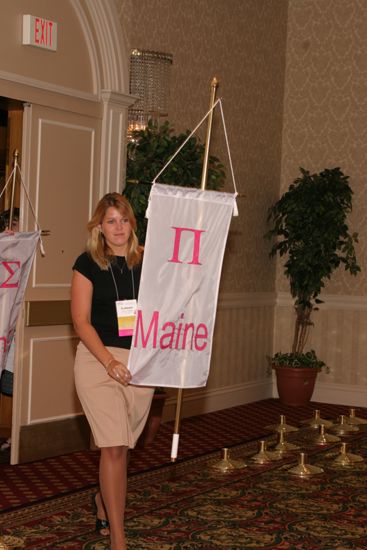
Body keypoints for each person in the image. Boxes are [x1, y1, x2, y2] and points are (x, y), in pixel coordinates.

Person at [71, 193, 154, 549]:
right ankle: (118, 538)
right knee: (114, 446)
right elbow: (80, 321)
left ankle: (103, 500)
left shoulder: (148, 261)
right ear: (99, 227)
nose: (118, 227)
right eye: (110, 221)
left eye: (123, 219)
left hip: (140, 363)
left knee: (125, 444)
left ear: (132, 223)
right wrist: (109, 362)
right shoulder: (87, 263)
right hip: (97, 360)